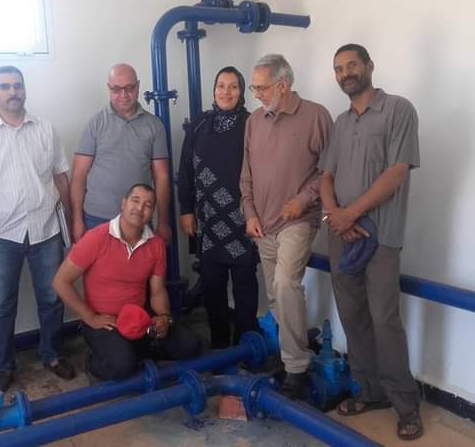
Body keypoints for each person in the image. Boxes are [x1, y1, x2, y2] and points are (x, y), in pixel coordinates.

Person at [319, 44, 423, 440]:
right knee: (353, 315)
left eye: (352, 65)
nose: (345, 73)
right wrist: (335, 215)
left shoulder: (398, 109)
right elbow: (326, 176)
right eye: (338, 68)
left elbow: (397, 172)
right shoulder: (341, 122)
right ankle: (369, 391)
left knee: (384, 320)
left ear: (369, 66)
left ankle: (406, 405)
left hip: (381, 236)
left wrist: (352, 213)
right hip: (341, 235)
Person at [0, 65, 75, 392]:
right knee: (0, 304)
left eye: (17, 85)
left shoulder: (45, 129)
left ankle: (52, 355)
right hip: (2, 235)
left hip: (46, 229)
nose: (12, 92)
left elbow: (61, 176)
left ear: (25, 89)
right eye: (5, 86)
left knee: (52, 297)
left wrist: (66, 217)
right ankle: (3, 365)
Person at [240, 54, 333, 399]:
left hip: (298, 220)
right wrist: (249, 213)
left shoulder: (316, 116)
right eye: (254, 88)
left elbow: (329, 169)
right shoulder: (254, 121)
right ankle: (295, 346)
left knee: (284, 283)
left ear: (283, 85)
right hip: (262, 223)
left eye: (261, 88)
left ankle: (296, 368)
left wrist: (304, 199)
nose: (257, 95)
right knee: (274, 295)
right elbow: (246, 174)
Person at [53, 183, 201, 380]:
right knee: (122, 366)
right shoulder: (96, 237)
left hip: (139, 317)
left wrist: (164, 317)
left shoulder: (156, 244)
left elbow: (157, 291)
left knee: (190, 345)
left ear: (152, 212)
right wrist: (90, 318)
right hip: (105, 322)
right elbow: (60, 282)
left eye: (148, 205)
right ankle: (96, 361)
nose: (140, 208)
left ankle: (137, 350)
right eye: (135, 200)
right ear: (123, 204)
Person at [177, 66, 259, 349]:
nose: (226, 92)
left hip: (243, 219)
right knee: (212, 285)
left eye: (233, 86)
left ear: (242, 91)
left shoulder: (253, 124)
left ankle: (247, 346)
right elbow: (186, 169)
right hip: (208, 221)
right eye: (221, 85)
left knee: (245, 284)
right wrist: (186, 210)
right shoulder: (200, 124)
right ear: (214, 90)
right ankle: (220, 346)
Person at [70, 63, 171, 243]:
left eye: (129, 88)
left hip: (139, 219)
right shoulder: (95, 124)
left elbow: (161, 177)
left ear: (138, 86)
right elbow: (79, 175)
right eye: (116, 89)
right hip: (96, 220)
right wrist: (77, 220)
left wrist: (163, 221)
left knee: (139, 263)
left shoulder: (155, 126)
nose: (123, 95)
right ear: (109, 88)